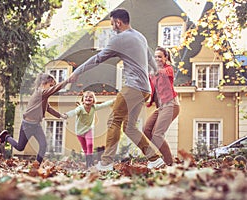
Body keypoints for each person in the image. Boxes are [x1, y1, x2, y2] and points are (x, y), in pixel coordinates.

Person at [69, 8, 161, 171]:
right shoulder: (140, 36)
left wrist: (77, 71)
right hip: (145, 89)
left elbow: (98, 58)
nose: (112, 28)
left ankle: (106, 162)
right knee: (129, 127)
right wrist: (155, 71)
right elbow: (149, 57)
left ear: (118, 22)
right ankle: (154, 158)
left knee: (113, 120)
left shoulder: (120, 39)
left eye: (112, 24)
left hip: (133, 87)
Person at [0, 73, 72, 165]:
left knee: (43, 145)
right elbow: (54, 90)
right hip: (26, 125)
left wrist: (60, 116)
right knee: (20, 147)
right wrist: (67, 80)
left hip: (36, 126)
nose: (51, 88)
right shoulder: (40, 93)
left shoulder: (44, 97)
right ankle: (6, 137)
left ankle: (37, 165)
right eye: (50, 85)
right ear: (43, 83)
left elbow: (48, 108)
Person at [143, 46, 180, 168]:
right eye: (155, 57)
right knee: (147, 130)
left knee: (157, 134)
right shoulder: (152, 74)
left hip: (171, 104)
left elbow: (163, 73)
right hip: (161, 107)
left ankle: (169, 163)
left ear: (166, 58)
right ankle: (161, 158)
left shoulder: (168, 69)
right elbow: (147, 84)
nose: (157, 59)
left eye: (160, 56)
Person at [63, 91, 115, 168]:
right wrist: (67, 115)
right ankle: (88, 162)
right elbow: (74, 112)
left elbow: (104, 105)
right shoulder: (80, 108)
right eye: (86, 97)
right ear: (83, 100)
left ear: (93, 100)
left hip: (88, 129)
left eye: (90, 97)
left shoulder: (94, 107)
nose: (88, 98)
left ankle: (89, 164)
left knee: (90, 144)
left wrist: (113, 101)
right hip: (79, 131)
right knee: (85, 148)